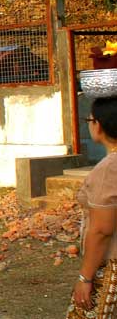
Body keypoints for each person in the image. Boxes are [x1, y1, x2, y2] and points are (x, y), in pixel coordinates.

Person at [67, 97, 117, 318]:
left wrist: (85, 278)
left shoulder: (108, 169)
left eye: (89, 120)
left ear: (99, 124)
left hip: (109, 265)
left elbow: (102, 230)